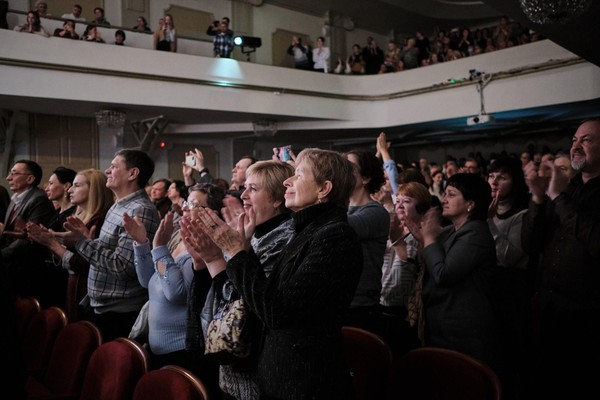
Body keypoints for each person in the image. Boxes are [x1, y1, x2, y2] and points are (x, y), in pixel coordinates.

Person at [187, 148, 362, 399]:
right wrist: (241, 252)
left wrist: (236, 252)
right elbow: (269, 295)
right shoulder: (309, 230)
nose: (288, 181)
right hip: (282, 376)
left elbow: (277, 310)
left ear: (324, 189)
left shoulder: (334, 236)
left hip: (303, 383)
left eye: (298, 175)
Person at [183, 161, 295, 399]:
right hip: (232, 371)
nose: (243, 195)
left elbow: (244, 307)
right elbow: (217, 302)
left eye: (253, 189)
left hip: (258, 371)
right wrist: (203, 264)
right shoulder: (251, 232)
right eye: (244, 187)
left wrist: (216, 259)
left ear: (277, 199)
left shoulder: (283, 239)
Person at [521, 118, 600, 399]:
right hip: (549, 311)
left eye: (586, 140)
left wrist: (557, 197)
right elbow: (531, 244)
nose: (576, 146)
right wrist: (539, 197)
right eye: (574, 140)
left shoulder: (567, 194)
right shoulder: (569, 189)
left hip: (586, 318)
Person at [124, 183, 222, 395]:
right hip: (158, 347)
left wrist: (158, 247)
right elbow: (148, 280)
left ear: (211, 212)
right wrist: (141, 243)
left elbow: (176, 293)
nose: (185, 207)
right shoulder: (178, 236)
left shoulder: (209, 244)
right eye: (186, 202)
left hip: (182, 349)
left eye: (193, 204)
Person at [54, 149, 160, 342]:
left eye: (114, 166)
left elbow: (123, 267)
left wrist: (82, 242)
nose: (107, 170)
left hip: (119, 310)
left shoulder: (140, 210)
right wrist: (87, 240)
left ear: (132, 173)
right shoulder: (118, 205)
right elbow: (108, 252)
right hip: (102, 305)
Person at [415, 173, 499, 367]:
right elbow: (426, 258)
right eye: (444, 193)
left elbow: (443, 274)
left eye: (451, 194)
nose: (444, 199)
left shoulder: (476, 232)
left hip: (463, 329)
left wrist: (428, 238)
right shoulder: (453, 230)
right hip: (445, 325)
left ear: (470, 204)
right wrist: (424, 237)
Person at [26, 169, 114, 321]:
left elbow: (84, 265)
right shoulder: (79, 217)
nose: (70, 190)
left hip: (85, 291)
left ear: (93, 190)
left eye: (77, 185)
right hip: (74, 286)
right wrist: (50, 239)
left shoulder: (98, 221)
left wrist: (52, 243)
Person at [487, 157, 531, 399]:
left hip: (511, 291)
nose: (494, 181)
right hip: (489, 289)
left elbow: (507, 257)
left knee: (509, 353)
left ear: (515, 181)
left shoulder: (523, 213)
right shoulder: (484, 208)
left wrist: (488, 221)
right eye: (492, 176)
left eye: (502, 177)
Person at [380, 182, 431, 357]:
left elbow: (416, 270)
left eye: (406, 201)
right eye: (398, 200)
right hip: (380, 308)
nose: (399, 205)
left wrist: (399, 244)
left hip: (405, 314)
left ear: (421, 206)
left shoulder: (425, 235)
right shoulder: (391, 228)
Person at [344, 150, 389, 334]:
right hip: (341, 304)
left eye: (349, 167)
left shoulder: (376, 212)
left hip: (360, 308)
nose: (342, 171)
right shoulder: (343, 209)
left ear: (366, 178)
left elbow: (340, 227)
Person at [1, 160, 55, 302]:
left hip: (27, 270)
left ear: (30, 179)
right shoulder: (15, 199)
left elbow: (28, 239)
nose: (8, 178)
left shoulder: (39, 199)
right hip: (11, 268)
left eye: (14, 173)